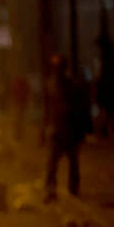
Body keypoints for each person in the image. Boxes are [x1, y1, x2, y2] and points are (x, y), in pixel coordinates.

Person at [44, 54, 93, 203]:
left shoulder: (70, 86)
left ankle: (71, 189)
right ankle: (54, 190)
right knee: (55, 164)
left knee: (68, 163)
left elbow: (80, 108)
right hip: (60, 131)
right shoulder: (54, 85)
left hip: (69, 130)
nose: (56, 71)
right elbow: (50, 109)